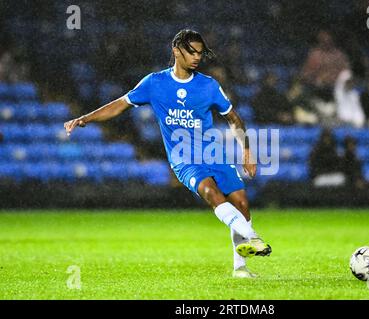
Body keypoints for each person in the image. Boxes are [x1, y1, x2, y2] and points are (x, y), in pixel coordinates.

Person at [64, 29, 271, 279]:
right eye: (191, 52)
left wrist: (246, 150)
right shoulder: (155, 83)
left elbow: (233, 118)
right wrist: (85, 118)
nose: (197, 57)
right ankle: (254, 237)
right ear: (176, 51)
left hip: (214, 153)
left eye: (200, 53)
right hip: (183, 158)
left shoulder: (208, 85)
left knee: (241, 204)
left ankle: (240, 268)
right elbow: (120, 104)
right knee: (210, 192)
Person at [299, 30, 350, 102]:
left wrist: (336, 79)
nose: (326, 41)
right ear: (319, 41)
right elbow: (304, 75)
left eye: (328, 39)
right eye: (323, 39)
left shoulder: (340, 55)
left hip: (337, 89)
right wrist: (318, 80)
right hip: (318, 90)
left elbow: (347, 74)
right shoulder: (314, 55)